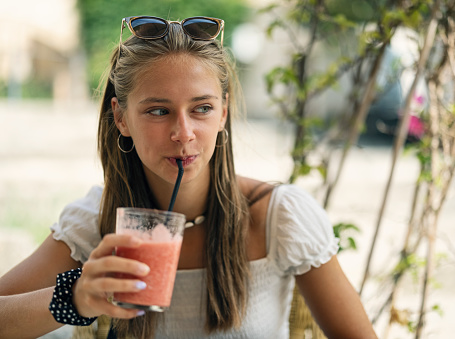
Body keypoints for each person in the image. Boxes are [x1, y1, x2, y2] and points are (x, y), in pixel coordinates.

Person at [0, 15, 378, 339]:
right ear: (121, 118)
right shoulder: (98, 222)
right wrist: (74, 298)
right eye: (159, 111)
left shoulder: (280, 217)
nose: (184, 133)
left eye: (202, 108)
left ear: (223, 113)